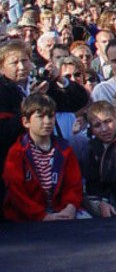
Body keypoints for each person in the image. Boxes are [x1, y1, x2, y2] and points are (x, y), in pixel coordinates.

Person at [2, 94, 83, 222]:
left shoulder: (64, 150)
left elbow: (74, 185)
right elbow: (16, 193)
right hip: (25, 218)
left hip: (60, 213)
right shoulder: (17, 152)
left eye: (50, 116)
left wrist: (70, 207)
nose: (47, 121)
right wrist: (42, 216)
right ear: (26, 122)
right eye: (40, 116)